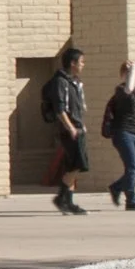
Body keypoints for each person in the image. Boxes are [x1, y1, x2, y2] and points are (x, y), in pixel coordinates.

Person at [40, 42, 89, 215]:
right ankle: (62, 197)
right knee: (76, 165)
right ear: (72, 63)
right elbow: (60, 108)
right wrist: (70, 128)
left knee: (74, 166)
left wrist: (81, 125)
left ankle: (68, 201)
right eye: (81, 62)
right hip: (69, 130)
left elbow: (76, 106)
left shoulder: (74, 81)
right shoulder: (60, 82)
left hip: (77, 127)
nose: (83, 65)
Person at [103, 60, 135, 211]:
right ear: (122, 74)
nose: (130, 75)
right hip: (122, 133)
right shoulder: (120, 90)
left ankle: (116, 187)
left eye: (132, 73)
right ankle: (131, 201)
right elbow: (128, 88)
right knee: (132, 168)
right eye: (127, 72)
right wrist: (132, 68)